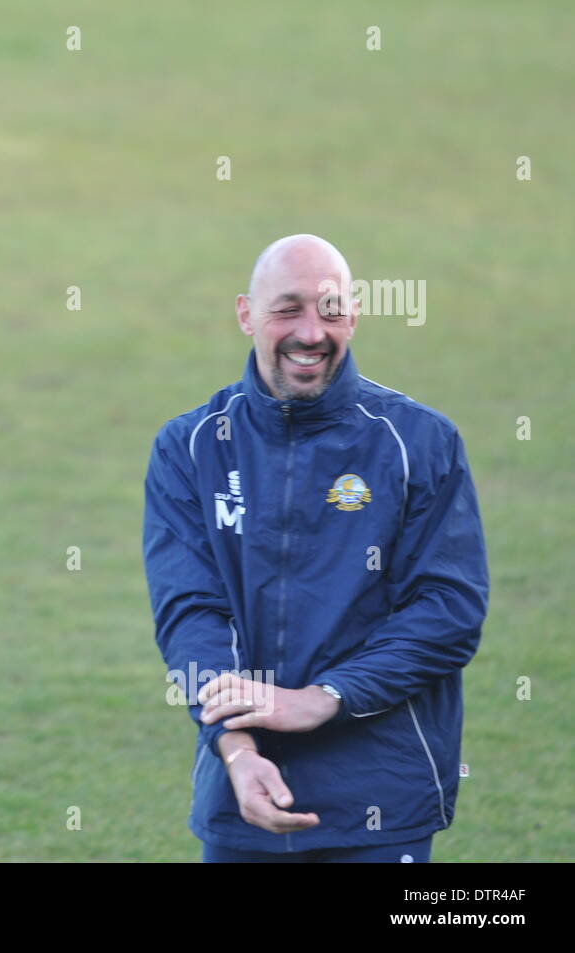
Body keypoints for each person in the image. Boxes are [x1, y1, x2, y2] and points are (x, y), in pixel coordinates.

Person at [142, 234, 489, 862]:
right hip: (242, 796)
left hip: (380, 803)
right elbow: (191, 612)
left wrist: (323, 699)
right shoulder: (191, 447)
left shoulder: (420, 443)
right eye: (288, 308)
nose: (312, 331)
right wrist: (237, 749)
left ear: (353, 316)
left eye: (331, 310)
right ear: (247, 314)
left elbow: (449, 612)